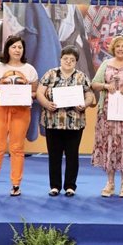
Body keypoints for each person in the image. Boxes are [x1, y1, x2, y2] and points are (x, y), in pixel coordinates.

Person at [0, 35, 38, 197]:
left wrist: (26, 94)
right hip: (0, 108)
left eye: (20, 47)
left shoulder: (29, 69)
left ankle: (16, 184)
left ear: (23, 50)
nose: (17, 50)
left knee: (17, 148)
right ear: (7, 49)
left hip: (21, 110)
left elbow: (34, 92)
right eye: (14, 47)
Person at [36, 46, 96, 197]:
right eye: (65, 59)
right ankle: (55, 186)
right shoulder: (50, 74)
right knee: (54, 155)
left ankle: (70, 186)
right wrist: (46, 104)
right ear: (60, 59)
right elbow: (39, 92)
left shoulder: (81, 76)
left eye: (72, 59)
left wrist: (85, 104)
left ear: (76, 61)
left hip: (75, 123)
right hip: (52, 122)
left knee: (72, 155)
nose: (68, 61)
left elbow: (90, 95)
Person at [90, 35, 123, 198]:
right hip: (108, 114)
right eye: (118, 46)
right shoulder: (106, 64)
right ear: (114, 48)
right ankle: (110, 183)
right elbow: (94, 83)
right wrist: (106, 86)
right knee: (110, 144)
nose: (121, 49)